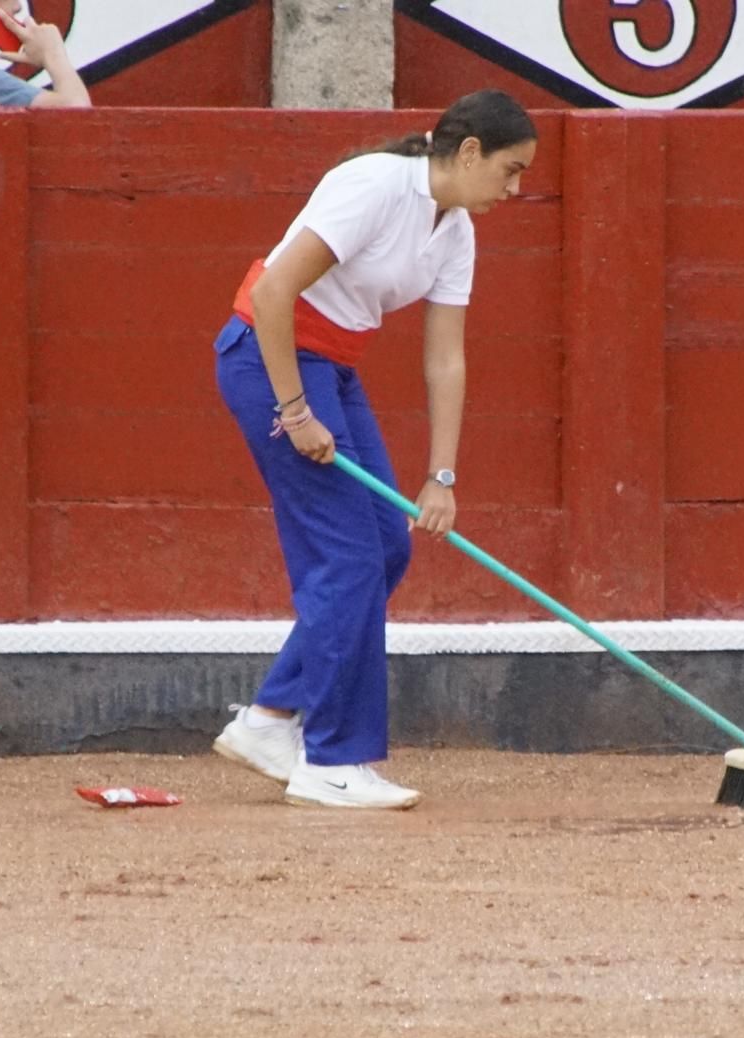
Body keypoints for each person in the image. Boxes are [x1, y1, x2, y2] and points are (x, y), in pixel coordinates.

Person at [210, 89, 538, 810]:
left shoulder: (455, 231)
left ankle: (271, 719)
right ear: (471, 151)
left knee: (386, 545)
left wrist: (441, 477)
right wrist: (293, 408)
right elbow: (272, 297)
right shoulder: (375, 185)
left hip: (332, 366)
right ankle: (331, 759)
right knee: (347, 557)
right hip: (271, 359)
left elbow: (445, 360)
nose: (513, 191)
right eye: (510, 171)